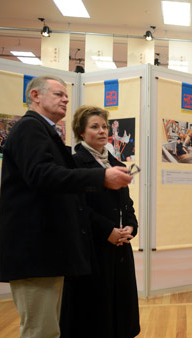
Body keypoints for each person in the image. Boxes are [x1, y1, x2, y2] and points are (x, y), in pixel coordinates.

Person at [0, 75, 132, 338]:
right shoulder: (29, 128)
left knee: (48, 330)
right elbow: (42, 175)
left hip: (48, 255)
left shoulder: (45, 132)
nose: (66, 99)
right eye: (59, 94)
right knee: (40, 331)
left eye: (66, 95)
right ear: (35, 96)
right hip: (35, 254)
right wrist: (101, 178)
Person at [60, 105, 140, 338]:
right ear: (81, 132)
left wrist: (131, 227)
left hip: (120, 249)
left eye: (104, 126)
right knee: (93, 318)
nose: (102, 131)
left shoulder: (117, 162)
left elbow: (127, 204)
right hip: (91, 249)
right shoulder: (74, 164)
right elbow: (77, 207)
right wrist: (108, 231)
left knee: (119, 315)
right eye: (94, 127)